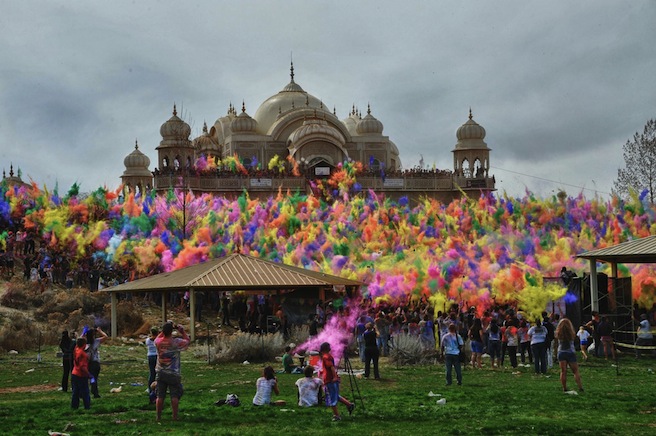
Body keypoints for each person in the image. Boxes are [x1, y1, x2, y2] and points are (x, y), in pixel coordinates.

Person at [155, 321, 190, 421]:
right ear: (171, 332)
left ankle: (158, 417)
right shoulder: (175, 342)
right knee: (174, 395)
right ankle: (174, 416)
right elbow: (187, 341)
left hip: (161, 371)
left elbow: (157, 337)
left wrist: (164, 329)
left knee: (160, 395)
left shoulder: (158, 342)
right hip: (173, 372)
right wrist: (182, 331)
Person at [319, 342, 355, 421]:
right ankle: (349, 405)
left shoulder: (325, 357)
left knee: (332, 398)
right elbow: (328, 368)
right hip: (330, 379)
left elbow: (331, 367)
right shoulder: (329, 356)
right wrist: (322, 372)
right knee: (335, 395)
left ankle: (336, 415)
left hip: (330, 380)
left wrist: (335, 377)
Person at [555, 318, 584, 393]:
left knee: (563, 371)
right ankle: (580, 387)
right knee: (575, 371)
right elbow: (574, 339)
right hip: (570, 352)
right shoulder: (571, 333)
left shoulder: (558, 333)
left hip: (561, 352)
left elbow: (556, 341)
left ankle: (564, 388)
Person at [86, 326, 108, 399]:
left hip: (87, 363)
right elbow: (105, 336)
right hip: (95, 363)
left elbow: (79, 340)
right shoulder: (96, 341)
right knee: (94, 378)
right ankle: (95, 392)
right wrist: (99, 330)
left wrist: (84, 333)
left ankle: (85, 392)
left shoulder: (84, 343)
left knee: (86, 378)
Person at [71, 336, 91, 410]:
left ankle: (74, 406)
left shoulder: (76, 350)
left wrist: (82, 335)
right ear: (84, 344)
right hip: (81, 375)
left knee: (75, 391)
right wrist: (89, 374)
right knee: (85, 392)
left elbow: (78, 343)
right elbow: (83, 367)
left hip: (74, 373)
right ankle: (87, 406)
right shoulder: (83, 354)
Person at [145, 327, 158, 393]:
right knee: (159, 373)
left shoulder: (147, 340)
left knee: (152, 373)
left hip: (150, 356)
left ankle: (150, 388)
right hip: (157, 355)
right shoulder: (158, 340)